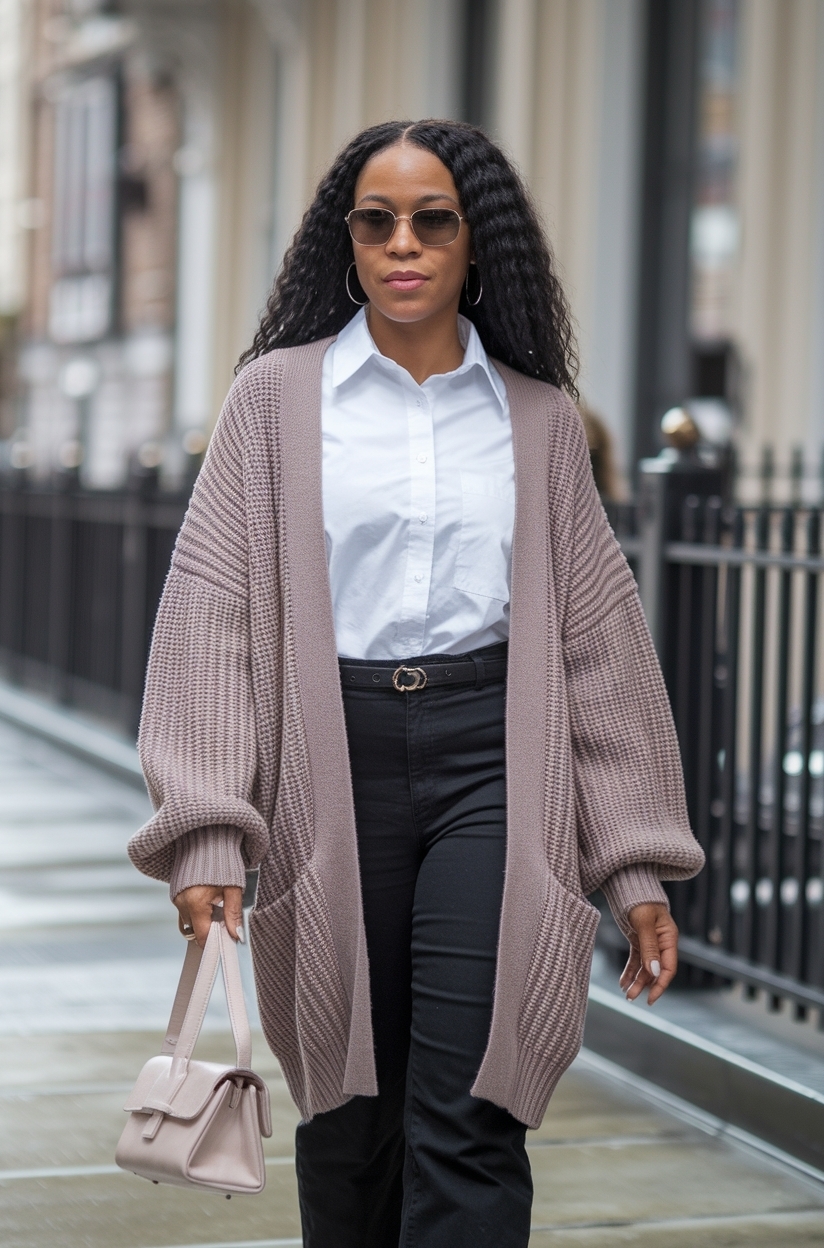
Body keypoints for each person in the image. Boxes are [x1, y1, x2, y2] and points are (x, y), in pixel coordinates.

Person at [129, 120, 704, 1248]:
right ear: (344, 241)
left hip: (493, 763)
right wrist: (204, 832)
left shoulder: (536, 420)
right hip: (328, 763)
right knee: (352, 1114)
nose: (403, 244)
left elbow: (598, 646)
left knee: (471, 1110)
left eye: (431, 220)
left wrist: (631, 858)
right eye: (375, 221)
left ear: (474, 243)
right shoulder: (274, 403)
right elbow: (211, 621)